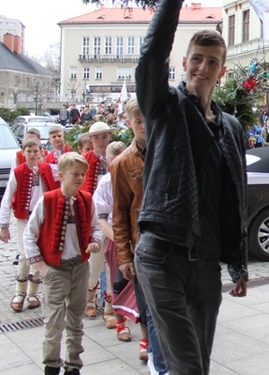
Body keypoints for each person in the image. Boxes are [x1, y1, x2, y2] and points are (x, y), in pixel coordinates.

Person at [134, 0, 248, 375]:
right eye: (196, 60)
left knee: (198, 361)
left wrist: (238, 261)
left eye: (212, 62)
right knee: (186, 365)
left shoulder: (231, 127)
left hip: (205, 262)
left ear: (222, 70)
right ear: (184, 64)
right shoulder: (165, 108)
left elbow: (234, 195)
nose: (203, 67)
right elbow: (149, 62)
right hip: (162, 254)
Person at [23, 152, 103, 375]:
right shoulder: (47, 200)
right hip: (55, 269)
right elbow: (29, 235)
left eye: (82, 174)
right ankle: (51, 364)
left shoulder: (87, 199)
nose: (79, 178)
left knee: (76, 320)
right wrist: (41, 267)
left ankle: (73, 364)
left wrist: (95, 242)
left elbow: (96, 227)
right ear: (61, 175)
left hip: (79, 266)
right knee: (54, 321)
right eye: (74, 174)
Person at [111, 97, 167, 369]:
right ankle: (159, 361)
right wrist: (123, 256)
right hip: (141, 245)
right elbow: (119, 212)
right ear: (129, 123)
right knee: (151, 309)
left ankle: (168, 357)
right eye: (138, 120)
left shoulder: (168, 151)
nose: (145, 125)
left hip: (171, 240)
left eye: (148, 118)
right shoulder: (122, 164)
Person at [0, 137, 59, 312]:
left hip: (43, 219)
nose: (32, 154)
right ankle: (20, 292)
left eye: (36, 151)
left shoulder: (47, 169)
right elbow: (7, 198)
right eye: (29, 151)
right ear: (23, 153)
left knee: (41, 253)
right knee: (25, 255)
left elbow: (66, 169)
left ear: (41, 152)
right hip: (25, 218)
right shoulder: (18, 172)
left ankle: (33, 292)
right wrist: (4, 225)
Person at [81, 120, 117, 320]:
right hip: (93, 219)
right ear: (91, 139)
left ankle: (110, 305)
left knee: (112, 262)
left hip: (112, 218)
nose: (101, 141)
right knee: (94, 263)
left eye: (104, 136)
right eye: (96, 137)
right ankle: (90, 300)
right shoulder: (85, 160)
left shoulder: (117, 158)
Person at [91, 141, 128, 335]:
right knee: (116, 276)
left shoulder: (134, 176)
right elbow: (101, 218)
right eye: (114, 162)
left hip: (135, 234)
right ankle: (119, 320)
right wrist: (118, 239)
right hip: (115, 235)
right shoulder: (106, 183)